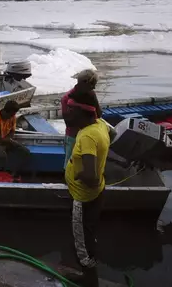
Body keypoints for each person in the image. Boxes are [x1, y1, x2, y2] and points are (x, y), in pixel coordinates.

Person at [64, 101, 110, 287]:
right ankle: (89, 274)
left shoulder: (88, 137)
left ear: (84, 113)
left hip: (83, 197)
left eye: (72, 110)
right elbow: (112, 137)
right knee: (88, 233)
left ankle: (90, 281)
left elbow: (90, 177)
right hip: (95, 194)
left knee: (81, 243)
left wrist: (76, 172)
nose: (68, 114)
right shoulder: (100, 124)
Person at [61, 69, 102, 168]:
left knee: (88, 166)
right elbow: (68, 122)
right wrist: (84, 110)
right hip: (73, 137)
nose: (94, 87)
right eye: (92, 84)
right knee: (69, 166)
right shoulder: (66, 98)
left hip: (90, 135)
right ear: (83, 83)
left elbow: (99, 113)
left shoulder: (91, 94)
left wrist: (82, 107)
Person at [0, 101, 32, 178]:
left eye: (14, 114)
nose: (13, 116)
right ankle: (3, 173)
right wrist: (5, 143)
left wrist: (9, 140)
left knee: (26, 152)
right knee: (2, 155)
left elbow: (12, 131)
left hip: (7, 139)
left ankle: (14, 173)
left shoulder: (13, 116)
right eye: (11, 114)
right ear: (5, 111)